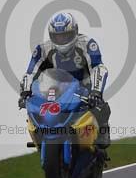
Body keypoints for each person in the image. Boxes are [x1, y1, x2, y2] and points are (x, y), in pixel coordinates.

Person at [19, 11, 111, 150]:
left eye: (65, 36)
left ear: (75, 31)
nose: (61, 40)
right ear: (51, 36)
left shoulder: (87, 44)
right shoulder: (43, 49)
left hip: (84, 86)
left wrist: (96, 91)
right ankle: (41, 135)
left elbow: (98, 67)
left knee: (100, 105)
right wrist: (25, 92)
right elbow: (30, 72)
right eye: (57, 37)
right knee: (39, 107)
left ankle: (103, 131)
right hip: (57, 87)